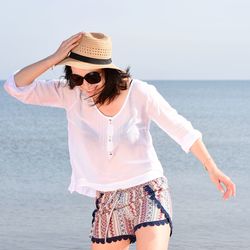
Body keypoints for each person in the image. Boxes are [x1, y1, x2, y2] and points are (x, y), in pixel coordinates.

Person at [4, 32, 236, 250]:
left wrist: (212, 168)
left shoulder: (140, 92)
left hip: (147, 190)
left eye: (92, 76)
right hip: (107, 200)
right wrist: (53, 59)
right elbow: (16, 87)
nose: (85, 85)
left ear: (108, 72)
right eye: (76, 77)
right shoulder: (70, 92)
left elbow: (181, 129)